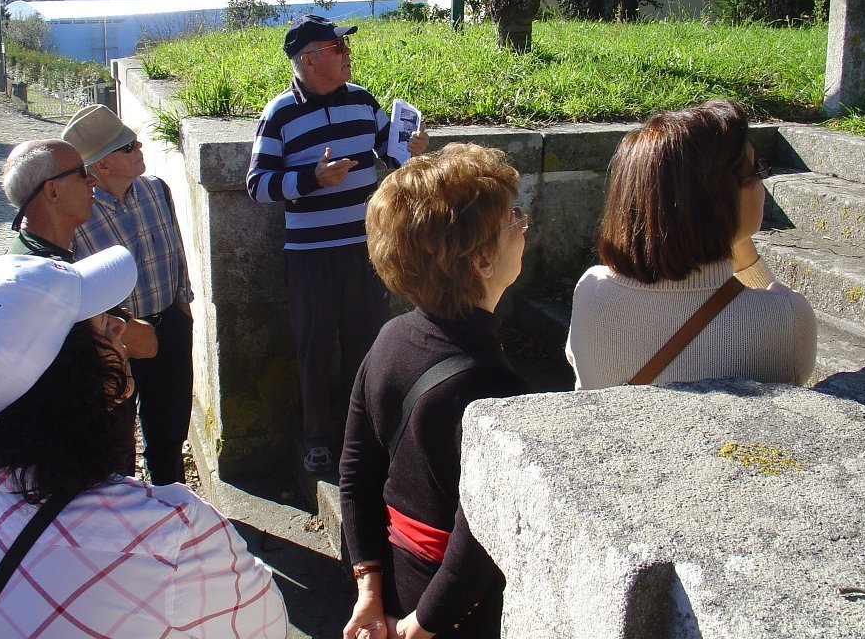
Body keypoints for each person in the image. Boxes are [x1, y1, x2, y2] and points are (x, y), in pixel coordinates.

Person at [0, 249, 288, 638]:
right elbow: (267, 625)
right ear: (70, 373)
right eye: (100, 323)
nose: (119, 325)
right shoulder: (171, 534)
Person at [340, 143, 531, 639]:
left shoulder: (392, 338)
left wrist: (368, 587)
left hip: (395, 580)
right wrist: (423, 626)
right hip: (454, 607)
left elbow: (357, 473)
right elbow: (481, 534)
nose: (523, 226)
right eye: (512, 219)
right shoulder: (494, 388)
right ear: (482, 259)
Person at [248, 15, 429, 473]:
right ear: (309, 60)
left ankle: (361, 434)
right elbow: (257, 184)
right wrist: (313, 178)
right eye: (338, 47)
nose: (348, 53)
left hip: (365, 250)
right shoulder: (279, 113)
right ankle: (317, 438)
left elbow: (392, 154)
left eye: (345, 46)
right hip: (311, 257)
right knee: (313, 349)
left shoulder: (364, 101)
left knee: (365, 346)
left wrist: (413, 148)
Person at [566, 99, 817, 389]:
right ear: (719, 198)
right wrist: (736, 245)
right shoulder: (785, 319)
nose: (762, 182)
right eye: (755, 170)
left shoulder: (591, 291)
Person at [62, 105, 194, 486]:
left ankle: (170, 503)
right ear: (101, 165)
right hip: (115, 340)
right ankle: (125, 507)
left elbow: (177, 252)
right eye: (127, 146)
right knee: (116, 444)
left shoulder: (157, 190)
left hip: (168, 329)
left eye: (134, 141)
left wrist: (183, 311)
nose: (139, 148)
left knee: (170, 436)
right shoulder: (78, 216)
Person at [2, 138, 157, 359]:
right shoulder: (59, 278)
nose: (93, 180)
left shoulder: (21, 254)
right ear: (53, 191)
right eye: (82, 173)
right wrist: (122, 320)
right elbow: (146, 344)